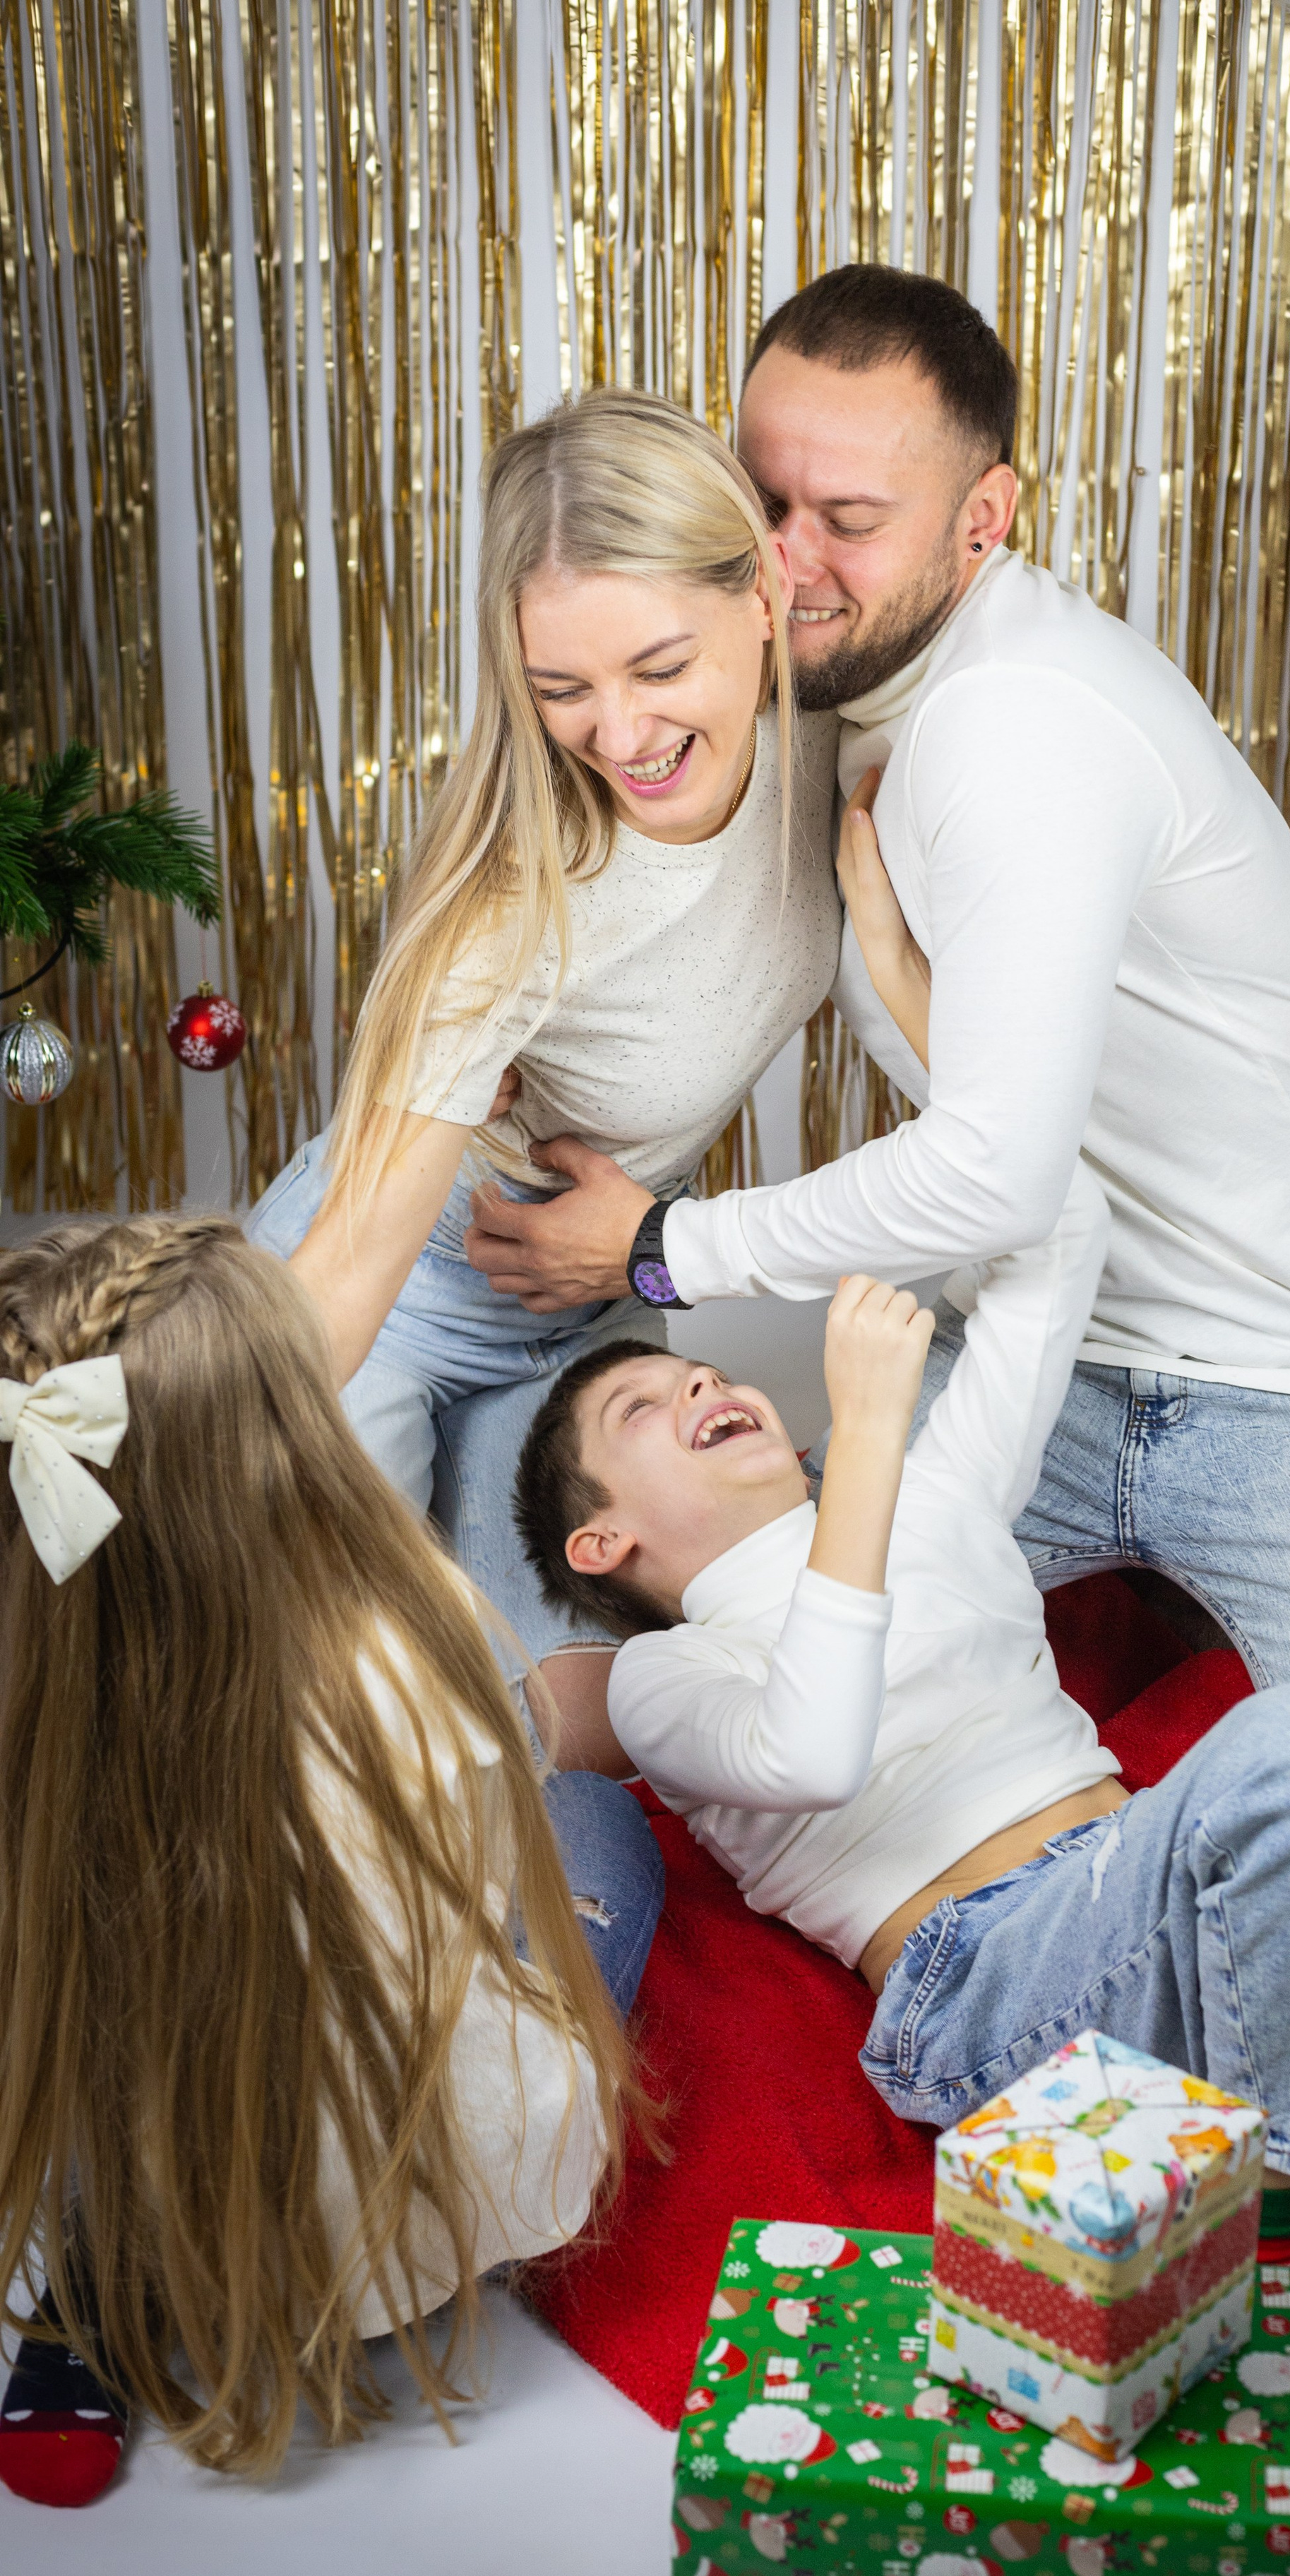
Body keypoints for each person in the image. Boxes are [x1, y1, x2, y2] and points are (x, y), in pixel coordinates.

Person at [510, 883, 1290, 2493]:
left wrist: (903, 989)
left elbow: (1061, 1233)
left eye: (697, 1368)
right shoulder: (672, 1679)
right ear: (604, 1536)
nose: (701, 1382)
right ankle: (1269, 2261)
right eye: (648, 1408)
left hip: (1235, 1930)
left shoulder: (934, 1500)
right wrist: (869, 1435)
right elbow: (812, 1740)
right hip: (1004, 2008)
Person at [465, 265, 1290, 1711]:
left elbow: (1000, 1176)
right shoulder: (794, 678)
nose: (788, 560)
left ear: (982, 520)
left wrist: (657, 1247)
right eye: (761, 502)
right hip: (1030, 1346)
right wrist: (506, 1039)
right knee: (757, 1707)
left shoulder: (1012, 728)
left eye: (850, 521)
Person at [0, 1216, 659, 2507]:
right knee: (600, 1831)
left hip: (129, 2144)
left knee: (96, 1962)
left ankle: (84, 2277)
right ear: (292, 1432)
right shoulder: (415, 1649)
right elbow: (467, 1902)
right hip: (379, 2240)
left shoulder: (29, 1682)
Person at [248, 388, 841, 1764]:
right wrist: (187, 1474)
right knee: (342, 1708)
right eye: (561, 690)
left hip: (585, 1312)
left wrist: (638, 1256)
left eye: (654, 667)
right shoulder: (516, 897)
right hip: (392, 1304)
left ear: (759, 589)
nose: (619, 734)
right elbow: (347, 1269)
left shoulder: (844, 741)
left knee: (574, 1737)